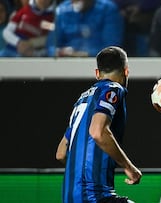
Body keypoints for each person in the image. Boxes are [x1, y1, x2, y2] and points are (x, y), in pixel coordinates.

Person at [56, 46, 142, 203]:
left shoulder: (81, 102)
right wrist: (129, 167)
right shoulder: (113, 89)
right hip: (94, 196)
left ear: (97, 73)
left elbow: (61, 153)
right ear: (126, 71)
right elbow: (98, 132)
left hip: (70, 196)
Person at [46, 0, 124, 57]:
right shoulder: (62, 10)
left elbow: (111, 47)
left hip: (98, 63)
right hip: (65, 64)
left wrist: (85, 54)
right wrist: (60, 52)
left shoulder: (108, 9)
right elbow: (51, 46)